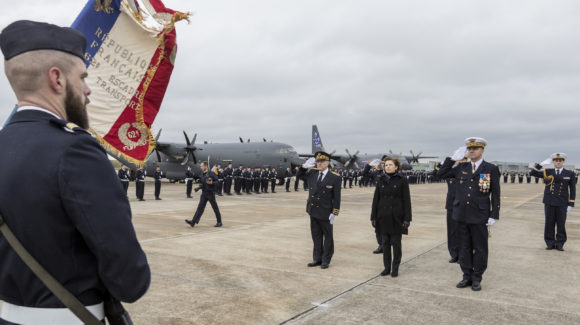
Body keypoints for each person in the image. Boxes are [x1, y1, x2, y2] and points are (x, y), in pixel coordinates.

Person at [0, 20, 150, 324]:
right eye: (82, 77)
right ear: (57, 79)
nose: (87, 89)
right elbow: (129, 280)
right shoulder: (75, 151)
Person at [437, 137, 500, 291]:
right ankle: (466, 276)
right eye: (469, 149)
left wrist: (494, 214)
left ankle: (477, 277)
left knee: (480, 248)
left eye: (475, 148)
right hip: (461, 214)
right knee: (464, 247)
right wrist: (451, 160)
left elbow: (496, 193)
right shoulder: (460, 167)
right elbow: (439, 175)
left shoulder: (490, 168)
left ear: (482, 150)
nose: (471, 151)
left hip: (479, 215)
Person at [297, 152, 341, 269]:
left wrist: (334, 212)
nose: (319, 163)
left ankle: (326, 260)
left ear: (328, 163)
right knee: (316, 236)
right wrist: (303, 167)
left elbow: (337, 197)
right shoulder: (312, 173)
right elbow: (298, 176)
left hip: (326, 212)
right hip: (313, 210)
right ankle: (317, 258)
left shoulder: (334, 177)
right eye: (318, 161)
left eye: (322, 161)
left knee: (328, 237)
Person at [370, 157, 412, 277]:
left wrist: (407, 218)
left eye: (390, 165)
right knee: (385, 244)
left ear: (396, 167)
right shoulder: (380, 179)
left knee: (396, 244)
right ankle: (386, 268)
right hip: (383, 217)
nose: (387, 166)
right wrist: (373, 216)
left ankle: (395, 268)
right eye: (386, 165)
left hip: (396, 217)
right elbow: (376, 199)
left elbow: (406, 200)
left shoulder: (402, 180)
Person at [530, 153, 576, 251]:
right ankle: (550, 243)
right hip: (549, 202)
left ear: (563, 162)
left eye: (560, 160)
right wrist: (541, 164)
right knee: (549, 223)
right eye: (556, 160)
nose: (558, 162)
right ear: (553, 162)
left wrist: (571, 203)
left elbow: (572, 189)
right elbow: (532, 173)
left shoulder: (569, 173)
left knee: (561, 224)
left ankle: (560, 243)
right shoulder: (547, 171)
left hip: (562, 203)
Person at [436, 155, 468, 263]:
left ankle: (463, 255)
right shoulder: (451, 171)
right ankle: (454, 253)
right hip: (451, 205)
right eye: (459, 159)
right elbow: (437, 174)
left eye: (463, 159)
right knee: (452, 231)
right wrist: (448, 160)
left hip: (465, 206)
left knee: (463, 232)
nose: (461, 161)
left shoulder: (470, 171)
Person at [185, 161, 223, 228]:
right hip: (204, 193)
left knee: (215, 208)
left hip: (210, 193)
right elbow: (203, 183)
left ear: (206, 166)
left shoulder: (211, 173)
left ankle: (219, 222)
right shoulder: (202, 174)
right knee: (200, 208)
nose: (201, 167)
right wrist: (199, 187)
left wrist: (212, 183)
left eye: (202, 166)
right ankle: (193, 222)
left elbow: (217, 182)